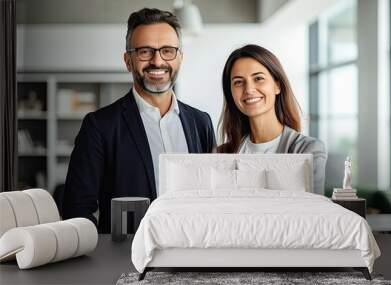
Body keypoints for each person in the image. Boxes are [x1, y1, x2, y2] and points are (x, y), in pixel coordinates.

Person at [62, 8, 216, 233]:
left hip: (192, 257)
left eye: (168, 51)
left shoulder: (200, 123)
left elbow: (211, 199)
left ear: (180, 58)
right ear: (128, 61)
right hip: (127, 261)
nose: (157, 61)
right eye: (145, 51)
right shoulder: (99, 126)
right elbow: (76, 210)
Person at [217, 44, 326, 194]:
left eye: (258, 78)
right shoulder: (220, 155)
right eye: (239, 82)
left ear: (277, 85)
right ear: (231, 93)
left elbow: (314, 213)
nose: (249, 89)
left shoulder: (307, 150)